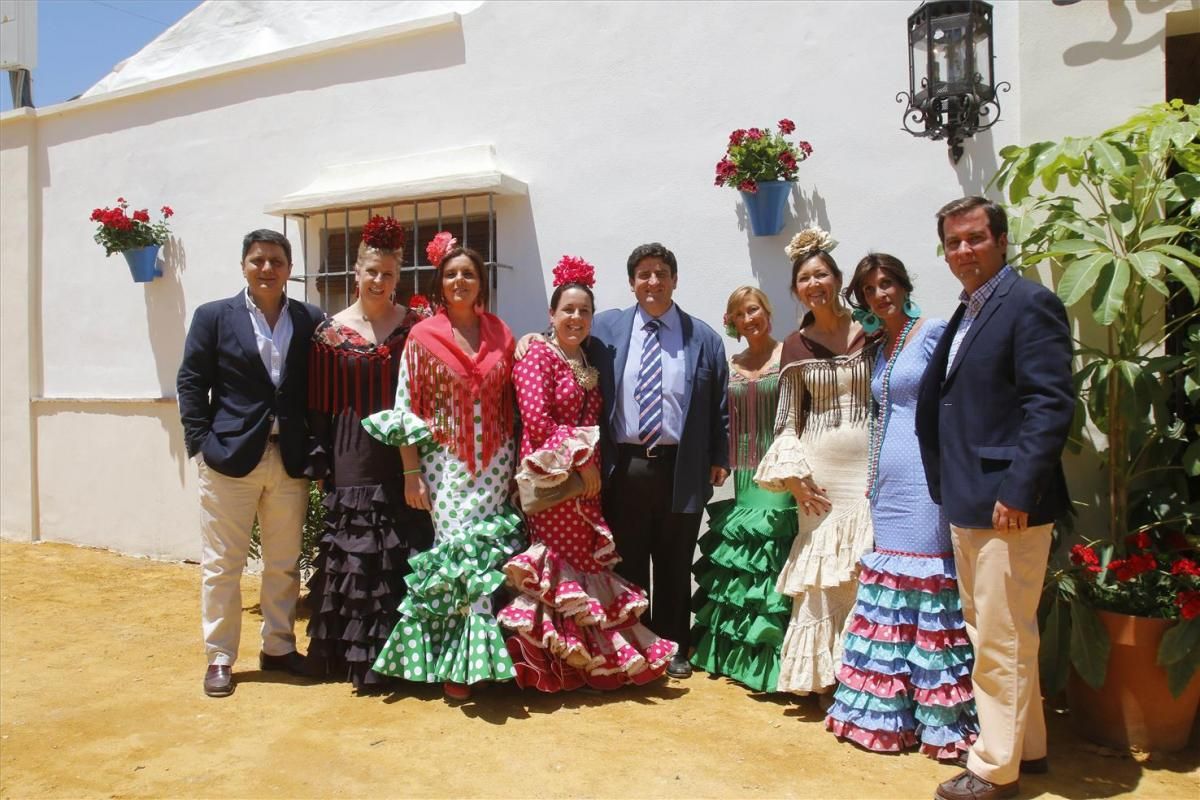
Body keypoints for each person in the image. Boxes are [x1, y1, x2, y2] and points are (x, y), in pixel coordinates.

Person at [916, 197, 1073, 800]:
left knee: (999, 634)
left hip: (1008, 502)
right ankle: (1024, 745)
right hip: (970, 496)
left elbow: (1049, 403)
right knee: (1002, 628)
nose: (964, 252)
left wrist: (1018, 489)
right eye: (953, 242)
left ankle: (992, 766)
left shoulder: (1028, 303)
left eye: (975, 239)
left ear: (1001, 241)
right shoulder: (969, 310)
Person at [498, 256, 677, 691]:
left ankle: (584, 661)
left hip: (586, 489)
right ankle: (550, 663)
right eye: (567, 310)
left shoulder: (587, 358)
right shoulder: (537, 353)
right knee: (557, 568)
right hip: (553, 481)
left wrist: (588, 472)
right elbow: (537, 420)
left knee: (581, 568)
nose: (576, 318)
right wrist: (582, 463)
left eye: (584, 311)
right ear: (551, 315)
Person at [824, 253, 977, 760]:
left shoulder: (932, 331)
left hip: (925, 477)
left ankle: (941, 723)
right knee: (890, 593)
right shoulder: (882, 346)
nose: (879, 295)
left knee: (927, 588)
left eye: (886, 284)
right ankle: (885, 718)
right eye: (868, 290)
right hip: (887, 480)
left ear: (904, 286)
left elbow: (964, 392)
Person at [362, 235, 524, 702]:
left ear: (481, 283)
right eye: (452, 274)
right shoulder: (422, 336)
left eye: (468, 274)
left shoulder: (501, 333)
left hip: (496, 462)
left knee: (491, 559)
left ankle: (487, 659)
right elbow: (405, 406)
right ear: (440, 282)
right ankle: (461, 662)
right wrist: (411, 473)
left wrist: (517, 467)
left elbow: (512, 403)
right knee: (457, 558)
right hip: (445, 463)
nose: (460, 281)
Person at [177, 229, 325, 698]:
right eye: (258, 260)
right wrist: (200, 443)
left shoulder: (309, 319)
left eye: (277, 261)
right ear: (243, 265)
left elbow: (316, 390)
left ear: (289, 268)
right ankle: (220, 657)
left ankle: (278, 646)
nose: (267, 268)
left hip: (289, 460)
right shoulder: (213, 317)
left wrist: (316, 448)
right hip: (229, 459)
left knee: (283, 563)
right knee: (223, 565)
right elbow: (191, 382)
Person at [303, 216, 436, 692]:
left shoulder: (416, 328)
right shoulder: (330, 333)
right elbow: (318, 406)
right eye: (372, 272)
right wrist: (322, 465)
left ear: (399, 278)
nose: (380, 281)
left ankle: (412, 658)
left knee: (407, 550)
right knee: (361, 557)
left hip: (410, 457)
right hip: (353, 452)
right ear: (356, 273)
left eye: (389, 274)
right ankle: (363, 658)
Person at [588, 243, 730, 680]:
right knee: (628, 561)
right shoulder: (605, 329)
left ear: (674, 280)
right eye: (644, 274)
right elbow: (563, 343)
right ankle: (634, 644)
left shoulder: (702, 336)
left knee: (673, 560)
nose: (653, 281)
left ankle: (672, 646)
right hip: (625, 464)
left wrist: (719, 456)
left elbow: (720, 404)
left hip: (680, 465)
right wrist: (531, 340)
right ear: (632, 283)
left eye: (661, 273)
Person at [754, 229, 875, 699]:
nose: (813, 283)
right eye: (804, 278)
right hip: (819, 479)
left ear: (838, 278)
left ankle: (865, 677)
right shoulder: (794, 345)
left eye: (821, 274)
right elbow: (787, 422)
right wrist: (796, 481)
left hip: (869, 469)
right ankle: (824, 679)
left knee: (865, 567)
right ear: (795, 289)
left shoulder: (872, 332)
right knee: (822, 575)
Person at [690, 286, 797, 691]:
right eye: (739, 314)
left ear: (767, 312)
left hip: (782, 470)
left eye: (753, 310)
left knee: (773, 557)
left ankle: (779, 662)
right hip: (743, 472)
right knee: (744, 563)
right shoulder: (728, 364)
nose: (748, 319)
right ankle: (740, 660)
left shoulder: (788, 356)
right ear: (731, 322)